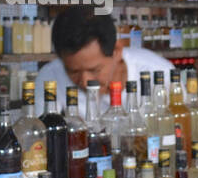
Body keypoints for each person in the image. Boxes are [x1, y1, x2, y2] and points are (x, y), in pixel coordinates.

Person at [35, 6, 174, 114]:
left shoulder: (160, 75)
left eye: (94, 70)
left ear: (117, 51)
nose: (85, 81)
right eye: (73, 71)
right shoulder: (50, 78)